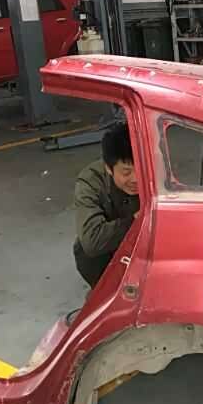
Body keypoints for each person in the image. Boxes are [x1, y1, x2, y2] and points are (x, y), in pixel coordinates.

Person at [73, 121, 139, 288]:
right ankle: (105, 289)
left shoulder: (156, 170)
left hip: (145, 243)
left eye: (141, 169)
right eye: (126, 172)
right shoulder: (90, 182)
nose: (136, 179)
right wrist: (135, 221)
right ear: (109, 168)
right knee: (84, 252)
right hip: (115, 244)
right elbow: (92, 240)